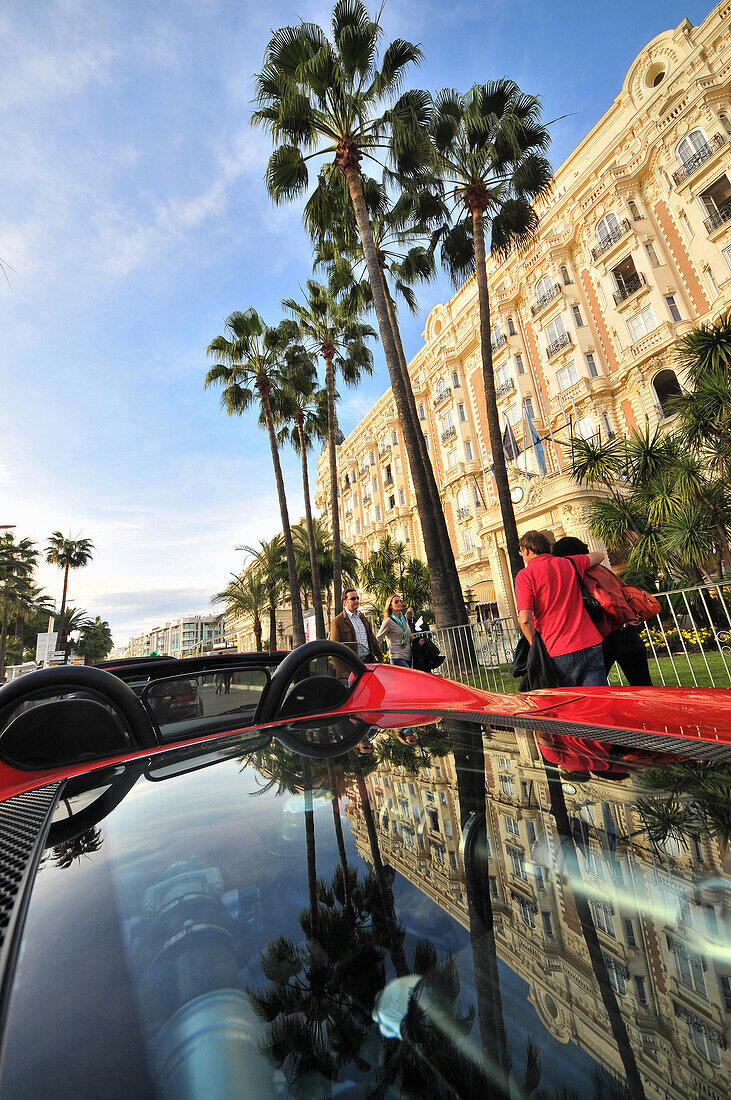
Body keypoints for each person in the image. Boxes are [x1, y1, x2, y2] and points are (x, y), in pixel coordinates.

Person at [552, 536, 653, 686]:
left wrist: (619, 618)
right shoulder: (602, 569)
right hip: (627, 631)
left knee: (595, 686)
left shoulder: (584, 574)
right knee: (642, 683)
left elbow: (606, 601)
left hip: (607, 632)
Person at [515, 530, 608, 687]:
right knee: (598, 704)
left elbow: (525, 620)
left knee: (567, 705)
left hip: (557, 648)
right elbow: (600, 555)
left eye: (521, 551)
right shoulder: (570, 563)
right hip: (591, 642)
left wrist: (534, 646)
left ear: (526, 550)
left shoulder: (525, 575)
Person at [329, 589, 383, 663]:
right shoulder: (338, 621)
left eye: (357, 598)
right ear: (345, 602)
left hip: (368, 660)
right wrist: (342, 670)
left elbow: (372, 639)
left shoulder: (362, 617)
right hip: (352, 663)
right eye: (353, 599)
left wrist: (380, 659)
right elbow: (335, 648)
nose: (356, 601)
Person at [376, 595, 413, 667]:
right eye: (396, 602)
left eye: (400, 601)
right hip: (397, 657)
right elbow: (378, 638)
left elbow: (409, 634)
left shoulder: (404, 619)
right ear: (390, 606)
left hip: (408, 656)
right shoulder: (388, 621)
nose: (399, 603)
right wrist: (376, 654)